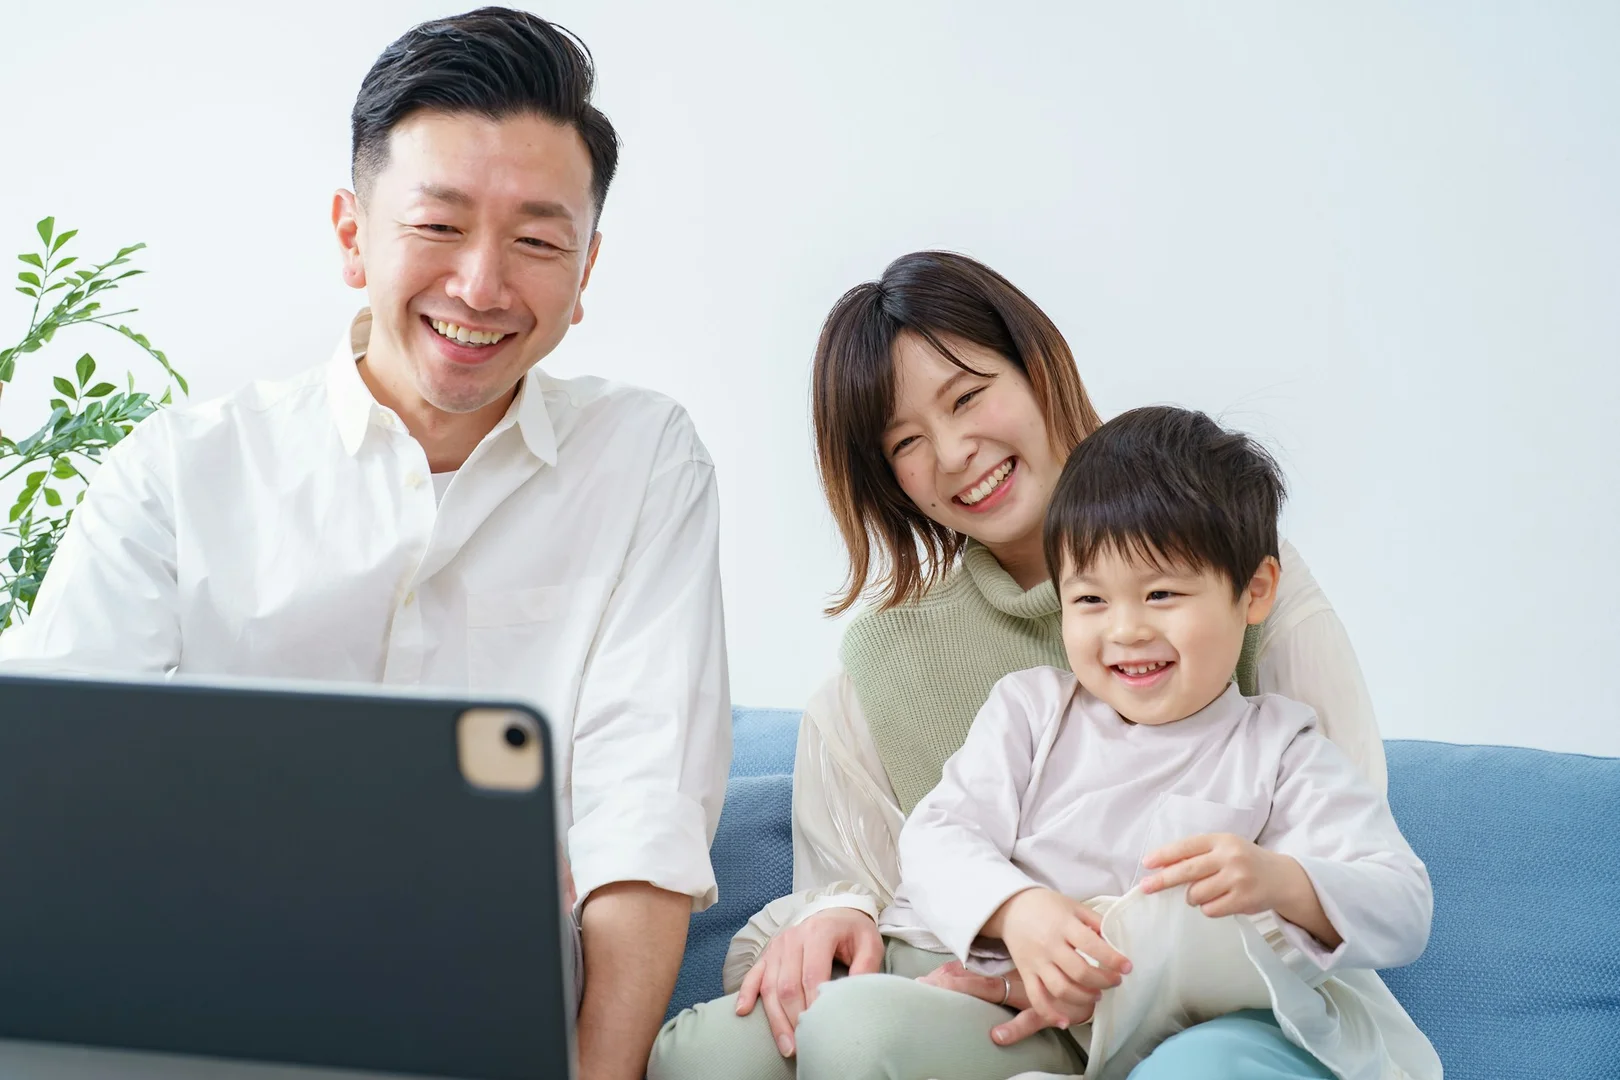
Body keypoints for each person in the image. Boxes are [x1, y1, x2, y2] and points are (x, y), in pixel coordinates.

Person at [0, 10, 729, 1080]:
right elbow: (51, 788)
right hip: (192, 994)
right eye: (438, 225)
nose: (481, 286)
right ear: (352, 235)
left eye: (536, 242)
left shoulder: (643, 460)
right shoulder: (180, 471)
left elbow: (644, 815)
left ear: (585, 270)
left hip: (484, 1018)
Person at [649, 251, 1386, 1080]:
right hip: (967, 976)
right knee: (707, 1057)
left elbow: (1343, 845)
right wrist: (837, 913)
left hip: (1196, 993)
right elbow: (879, 878)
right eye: (906, 442)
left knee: (868, 1038)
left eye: (967, 396)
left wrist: (1090, 962)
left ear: (1039, 368)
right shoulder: (887, 670)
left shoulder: (1233, 568)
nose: (954, 452)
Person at [873, 405, 1438, 1079]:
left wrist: (1281, 880)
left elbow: (1403, 904)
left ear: (1255, 590)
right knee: (858, 1029)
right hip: (1039, 1022)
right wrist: (1016, 910)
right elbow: (937, 837)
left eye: (1162, 593)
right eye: (1090, 600)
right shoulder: (1030, 711)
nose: (1126, 631)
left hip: (1199, 1033)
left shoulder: (1281, 748)